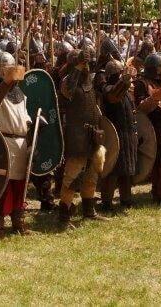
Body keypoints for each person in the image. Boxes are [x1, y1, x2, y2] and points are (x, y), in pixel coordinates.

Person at [0, 52, 32, 235]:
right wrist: (7, 82)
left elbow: (25, 118)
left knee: (20, 185)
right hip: (2, 143)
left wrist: (32, 129)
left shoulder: (19, 93)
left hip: (20, 143)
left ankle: (18, 221)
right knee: (2, 185)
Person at [57, 46, 105, 227]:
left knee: (92, 175)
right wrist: (78, 66)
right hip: (76, 135)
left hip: (92, 134)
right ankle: (64, 216)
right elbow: (68, 91)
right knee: (72, 176)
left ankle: (89, 210)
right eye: (83, 63)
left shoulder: (89, 83)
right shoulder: (67, 81)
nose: (87, 67)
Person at [132, 53, 161, 206]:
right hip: (152, 126)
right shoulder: (142, 83)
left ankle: (159, 193)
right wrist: (155, 97)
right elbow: (139, 108)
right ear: (155, 69)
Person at [98, 58, 137, 210]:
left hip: (127, 134)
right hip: (116, 135)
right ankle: (106, 201)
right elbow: (114, 95)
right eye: (119, 73)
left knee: (126, 170)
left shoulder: (126, 91)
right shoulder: (108, 89)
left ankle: (126, 199)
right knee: (112, 171)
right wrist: (124, 81)